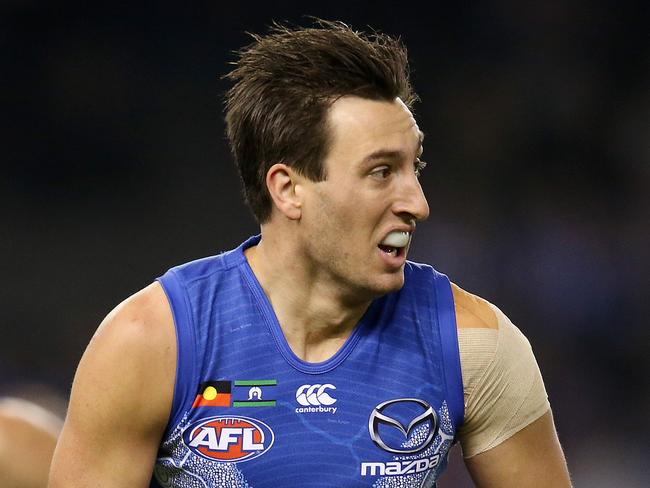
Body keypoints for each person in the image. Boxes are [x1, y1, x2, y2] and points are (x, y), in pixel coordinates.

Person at [48, 20, 571, 487]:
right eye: (381, 172)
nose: (418, 203)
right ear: (288, 189)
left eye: (416, 167)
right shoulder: (151, 344)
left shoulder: (473, 344)